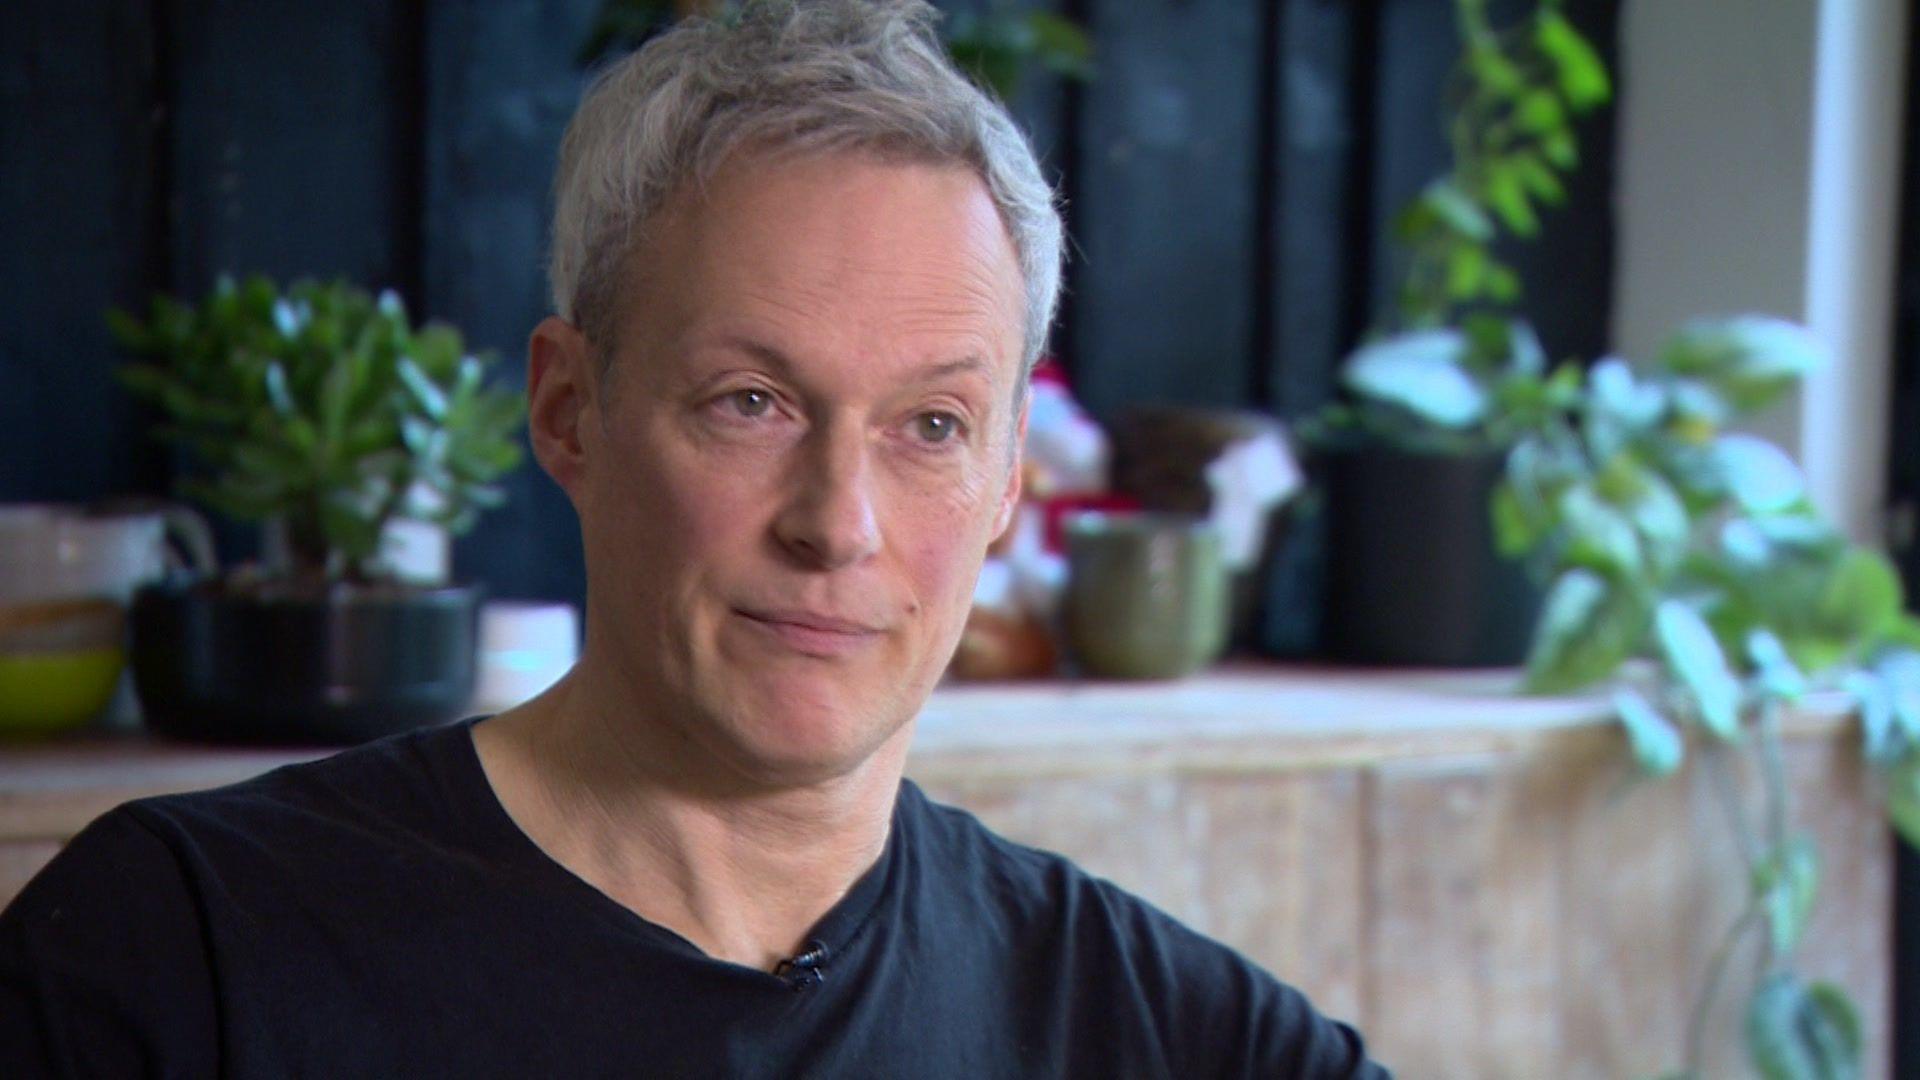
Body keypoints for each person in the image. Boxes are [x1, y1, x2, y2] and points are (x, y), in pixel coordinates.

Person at [1, 2, 1388, 1075]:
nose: (836, 526)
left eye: (933, 426)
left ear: (1013, 472)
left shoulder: (1151, 1029)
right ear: (568, 411)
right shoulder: (178, 961)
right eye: (752, 402)